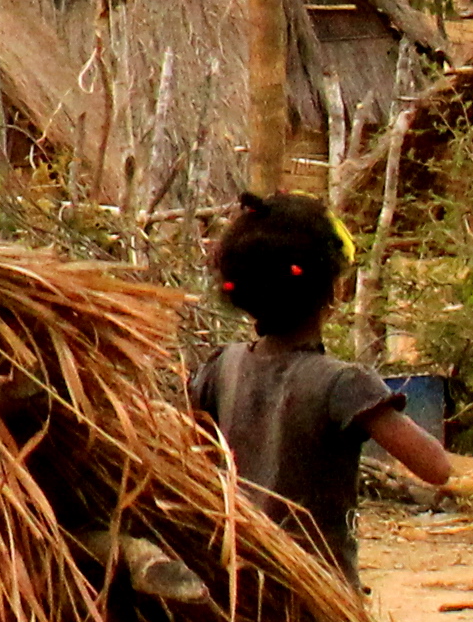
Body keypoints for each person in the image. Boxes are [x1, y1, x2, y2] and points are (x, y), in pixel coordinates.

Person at [194, 190, 457, 578]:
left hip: (239, 588)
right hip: (316, 594)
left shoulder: (221, 368)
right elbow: (436, 467)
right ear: (330, 292)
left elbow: (192, 458)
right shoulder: (342, 384)